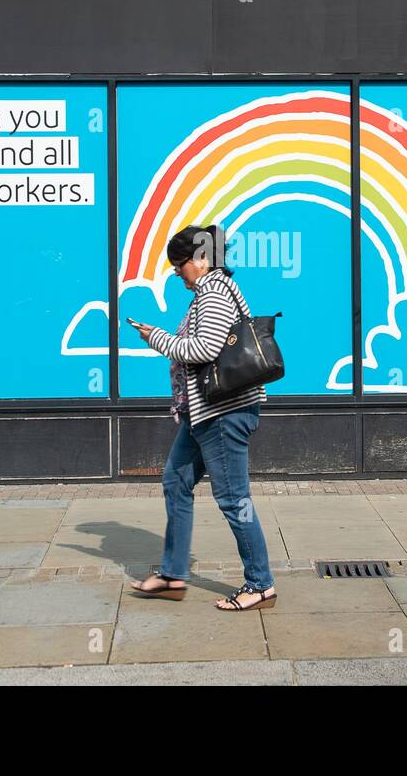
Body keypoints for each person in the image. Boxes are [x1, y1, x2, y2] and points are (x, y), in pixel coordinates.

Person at [127, 225, 277, 612]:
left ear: (201, 259)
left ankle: (260, 584)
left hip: (224, 414)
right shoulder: (209, 293)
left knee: (232, 498)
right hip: (204, 413)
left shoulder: (213, 292)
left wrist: (156, 338)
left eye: (180, 265)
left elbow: (205, 348)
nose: (178, 273)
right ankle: (174, 575)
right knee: (175, 481)